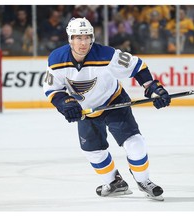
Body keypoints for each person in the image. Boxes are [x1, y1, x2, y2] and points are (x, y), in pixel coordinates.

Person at [43, 17, 171, 201]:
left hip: (114, 102)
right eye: (78, 38)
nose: (83, 42)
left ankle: (144, 181)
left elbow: (138, 66)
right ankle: (114, 182)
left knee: (135, 142)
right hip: (85, 110)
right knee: (92, 151)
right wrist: (65, 103)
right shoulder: (56, 59)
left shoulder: (107, 55)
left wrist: (152, 88)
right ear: (70, 39)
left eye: (87, 37)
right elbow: (52, 88)